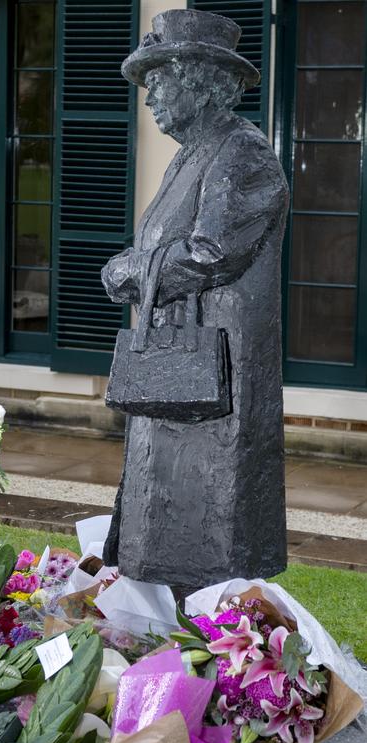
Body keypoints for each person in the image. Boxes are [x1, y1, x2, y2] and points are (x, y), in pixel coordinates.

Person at [102, 10, 290, 594]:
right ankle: (163, 628)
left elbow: (211, 252)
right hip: (179, 367)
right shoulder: (192, 154)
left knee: (211, 531)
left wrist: (130, 271)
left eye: (160, 79)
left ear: (201, 80)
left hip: (220, 378)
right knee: (164, 513)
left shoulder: (242, 152)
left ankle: (210, 637)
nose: (151, 95)